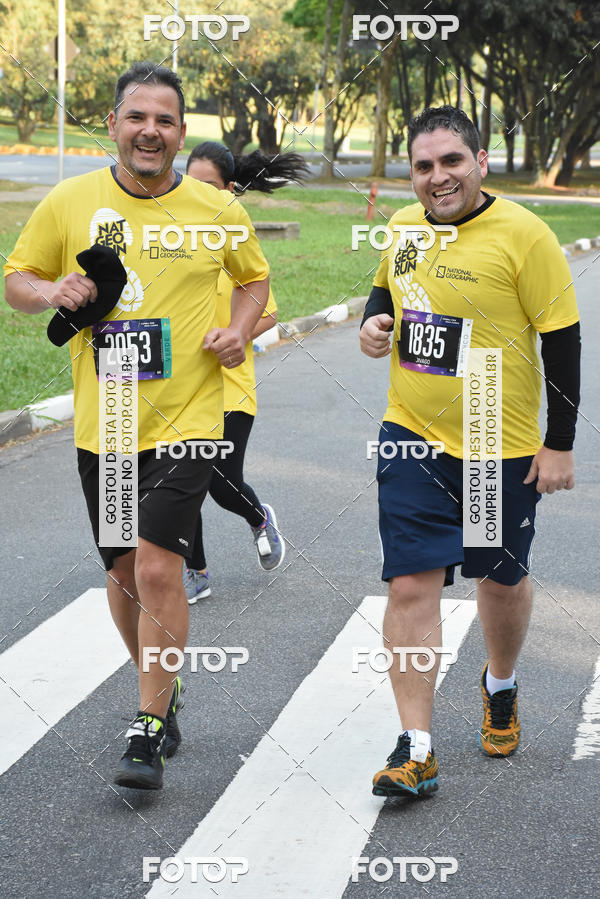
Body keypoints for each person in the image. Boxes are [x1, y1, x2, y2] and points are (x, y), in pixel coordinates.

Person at [4, 62, 270, 791]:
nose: (150, 130)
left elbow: (254, 279)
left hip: (190, 416)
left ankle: (148, 724)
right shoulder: (71, 201)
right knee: (123, 575)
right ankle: (165, 689)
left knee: (157, 564)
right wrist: (50, 288)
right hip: (108, 420)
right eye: (137, 117)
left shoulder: (216, 209)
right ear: (116, 124)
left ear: (182, 134)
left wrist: (240, 329)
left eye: (165, 120)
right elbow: (16, 281)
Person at [360, 106, 580, 798]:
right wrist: (373, 325)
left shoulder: (525, 234)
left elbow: (563, 340)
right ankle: (416, 745)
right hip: (411, 434)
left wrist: (559, 444)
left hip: (496, 436)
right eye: (423, 166)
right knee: (410, 583)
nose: (437, 176)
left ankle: (501, 680)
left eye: (451, 160)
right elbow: (383, 293)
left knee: (499, 580)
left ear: (480, 160)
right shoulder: (401, 229)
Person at [183, 142, 309, 603]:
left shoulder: (235, 240)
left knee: (219, 481)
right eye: (189, 185)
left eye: (208, 187)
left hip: (230, 387)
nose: (196, 195)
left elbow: (268, 312)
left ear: (230, 191)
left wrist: (235, 332)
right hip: (181, 389)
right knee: (182, 482)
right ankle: (195, 569)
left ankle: (259, 518)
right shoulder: (169, 242)